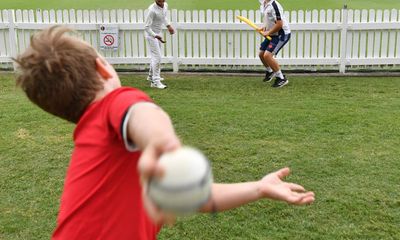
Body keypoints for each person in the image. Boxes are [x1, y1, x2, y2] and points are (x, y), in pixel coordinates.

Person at [14, 26, 315, 240]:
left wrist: (259, 188)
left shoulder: (98, 146)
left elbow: (194, 197)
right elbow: (143, 116)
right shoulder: (115, 104)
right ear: (103, 68)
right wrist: (165, 148)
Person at [258, 0, 291, 88]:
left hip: (281, 34)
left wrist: (268, 32)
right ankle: (270, 71)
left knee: (267, 55)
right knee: (261, 54)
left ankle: (281, 78)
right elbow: (268, 18)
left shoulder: (274, 5)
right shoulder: (263, 2)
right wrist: (264, 28)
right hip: (272, 33)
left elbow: (280, 24)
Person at [144, 0, 175, 89]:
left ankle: (150, 76)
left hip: (158, 34)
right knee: (157, 57)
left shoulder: (165, 5)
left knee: (155, 57)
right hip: (151, 35)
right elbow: (146, 27)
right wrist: (155, 36)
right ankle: (155, 81)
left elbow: (164, 17)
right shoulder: (152, 10)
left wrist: (169, 26)